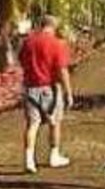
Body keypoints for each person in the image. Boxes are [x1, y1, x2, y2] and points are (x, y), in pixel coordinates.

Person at [18, 15, 75, 173]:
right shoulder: (57, 44)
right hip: (50, 88)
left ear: (40, 25)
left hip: (30, 87)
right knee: (54, 122)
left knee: (32, 124)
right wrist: (68, 92)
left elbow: (22, 61)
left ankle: (29, 160)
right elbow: (62, 70)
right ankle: (54, 155)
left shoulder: (28, 42)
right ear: (53, 26)